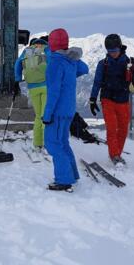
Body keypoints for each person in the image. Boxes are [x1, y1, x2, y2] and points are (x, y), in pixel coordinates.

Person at [43, 28, 89, 192]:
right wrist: (71, 53)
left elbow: (53, 92)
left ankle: (64, 180)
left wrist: (47, 114)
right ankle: (72, 175)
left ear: (51, 44)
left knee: (53, 144)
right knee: (63, 142)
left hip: (57, 111)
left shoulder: (55, 63)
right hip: (69, 110)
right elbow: (84, 68)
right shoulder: (70, 61)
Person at [89, 34, 134, 167]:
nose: (112, 54)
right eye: (110, 51)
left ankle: (118, 154)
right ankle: (114, 156)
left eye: (115, 51)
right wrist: (92, 99)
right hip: (108, 99)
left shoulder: (128, 63)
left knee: (123, 129)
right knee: (112, 128)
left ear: (120, 48)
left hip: (123, 100)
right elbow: (97, 82)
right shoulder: (103, 64)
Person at [14, 37, 50, 151]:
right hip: (46, 86)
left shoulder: (27, 51)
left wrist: (18, 79)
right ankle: (47, 143)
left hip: (32, 86)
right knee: (46, 115)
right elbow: (53, 64)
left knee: (38, 115)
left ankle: (37, 143)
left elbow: (17, 64)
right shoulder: (47, 49)